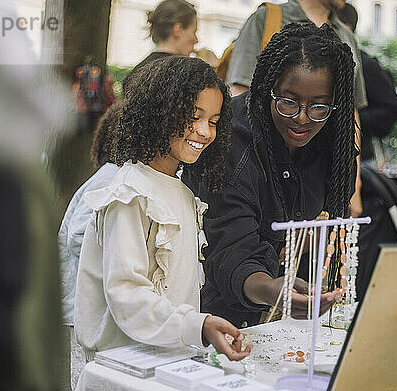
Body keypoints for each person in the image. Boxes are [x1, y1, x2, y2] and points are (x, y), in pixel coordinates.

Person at [74, 56, 252, 372]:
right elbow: (126, 294)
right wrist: (198, 326)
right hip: (125, 368)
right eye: (193, 117)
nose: (203, 131)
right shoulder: (130, 193)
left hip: (170, 363)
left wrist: (197, 328)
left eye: (213, 121)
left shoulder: (183, 192)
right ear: (160, 113)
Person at [184, 23, 351, 329]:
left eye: (318, 106)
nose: (302, 117)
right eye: (288, 101)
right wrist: (273, 289)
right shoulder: (231, 143)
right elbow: (230, 250)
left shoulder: (331, 142)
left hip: (280, 320)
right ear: (267, 88)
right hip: (214, 322)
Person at [58, 107, 121, 388]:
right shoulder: (112, 176)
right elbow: (77, 234)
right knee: (85, 376)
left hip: (84, 306)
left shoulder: (113, 174)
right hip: (79, 304)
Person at [225, 0, 367, 113]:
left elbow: (351, 110)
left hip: (331, 144)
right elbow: (240, 95)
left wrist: (351, 145)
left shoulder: (346, 37)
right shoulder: (266, 19)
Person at [337, 3, 397, 166]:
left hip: (357, 159)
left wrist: (351, 120)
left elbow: (395, 110)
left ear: (346, 28)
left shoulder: (364, 64)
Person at [122, 0, 198, 92]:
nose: (196, 40)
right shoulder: (187, 75)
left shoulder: (135, 74)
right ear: (178, 30)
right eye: (194, 31)